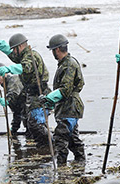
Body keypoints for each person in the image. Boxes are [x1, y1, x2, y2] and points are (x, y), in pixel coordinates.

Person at [0, 33, 50, 147]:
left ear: (20, 46)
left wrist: (9, 68)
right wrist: (3, 48)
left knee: (35, 123)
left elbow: (26, 67)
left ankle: (49, 145)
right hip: (31, 93)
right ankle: (43, 146)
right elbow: (16, 58)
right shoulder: (23, 55)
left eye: (14, 49)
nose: (14, 52)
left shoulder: (31, 55)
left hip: (39, 92)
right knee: (32, 124)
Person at [42, 34, 85, 166]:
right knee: (72, 138)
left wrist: (50, 98)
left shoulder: (69, 65)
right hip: (66, 108)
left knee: (60, 138)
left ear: (57, 50)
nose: (53, 53)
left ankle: (61, 167)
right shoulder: (64, 64)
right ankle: (80, 162)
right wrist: (49, 100)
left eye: (53, 50)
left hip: (70, 108)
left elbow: (65, 89)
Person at [0, 62, 28, 136]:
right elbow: (16, 110)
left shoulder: (13, 80)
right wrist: (14, 129)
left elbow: (13, 94)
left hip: (31, 108)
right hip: (24, 110)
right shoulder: (6, 85)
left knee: (32, 127)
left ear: (5, 73)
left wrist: (7, 100)